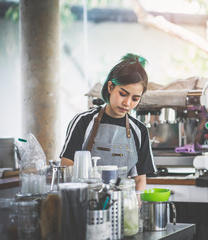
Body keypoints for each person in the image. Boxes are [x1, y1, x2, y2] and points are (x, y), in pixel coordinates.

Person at [60, 53, 156, 191]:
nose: (127, 103)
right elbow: (67, 164)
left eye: (135, 99)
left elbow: (140, 179)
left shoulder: (139, 131)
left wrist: (136, 206)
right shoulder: (84, 121)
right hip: (87, 200)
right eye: (123, 94)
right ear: (110, 87)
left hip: (123, 202)